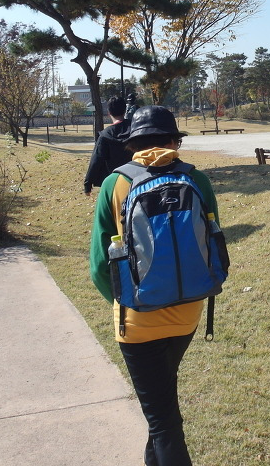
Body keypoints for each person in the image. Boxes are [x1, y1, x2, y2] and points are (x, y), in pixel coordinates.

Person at [89, 105, 219, 466]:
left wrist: (124, 301)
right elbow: (212, 245)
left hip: (138, 321)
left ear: (133, 145)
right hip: (187, 312)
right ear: (175, 141)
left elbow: (99, 265)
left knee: (163, 420)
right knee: (160, 407)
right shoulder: (197, 179)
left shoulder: (115, 184)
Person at [83, 97, 132, 195]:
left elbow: (96, 160)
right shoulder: (136, 130)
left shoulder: (105, 135)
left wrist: (88, 184)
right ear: (125, 110)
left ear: (109, 112)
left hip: (114, 183)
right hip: (137, 180)